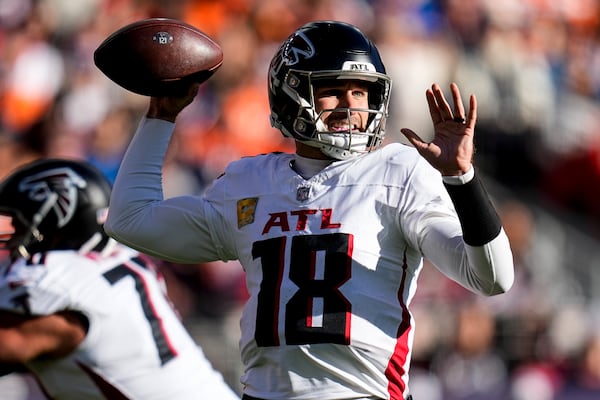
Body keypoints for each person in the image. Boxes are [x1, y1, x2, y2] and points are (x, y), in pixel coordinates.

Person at [105, 20, 515, 400]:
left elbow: (493, 278)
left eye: (360, 91)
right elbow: (131, 222)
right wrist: (161, 115)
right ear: (291, 93)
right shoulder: (250, 181)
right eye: (333, 89)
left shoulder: (398, 170)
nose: (350, 105)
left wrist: (461, 179)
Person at [0, 158, 240, 400]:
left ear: (56, 224)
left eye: (20, 226)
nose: (12, 239)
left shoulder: (62, 279)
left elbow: (11, 344)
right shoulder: (119, 261)